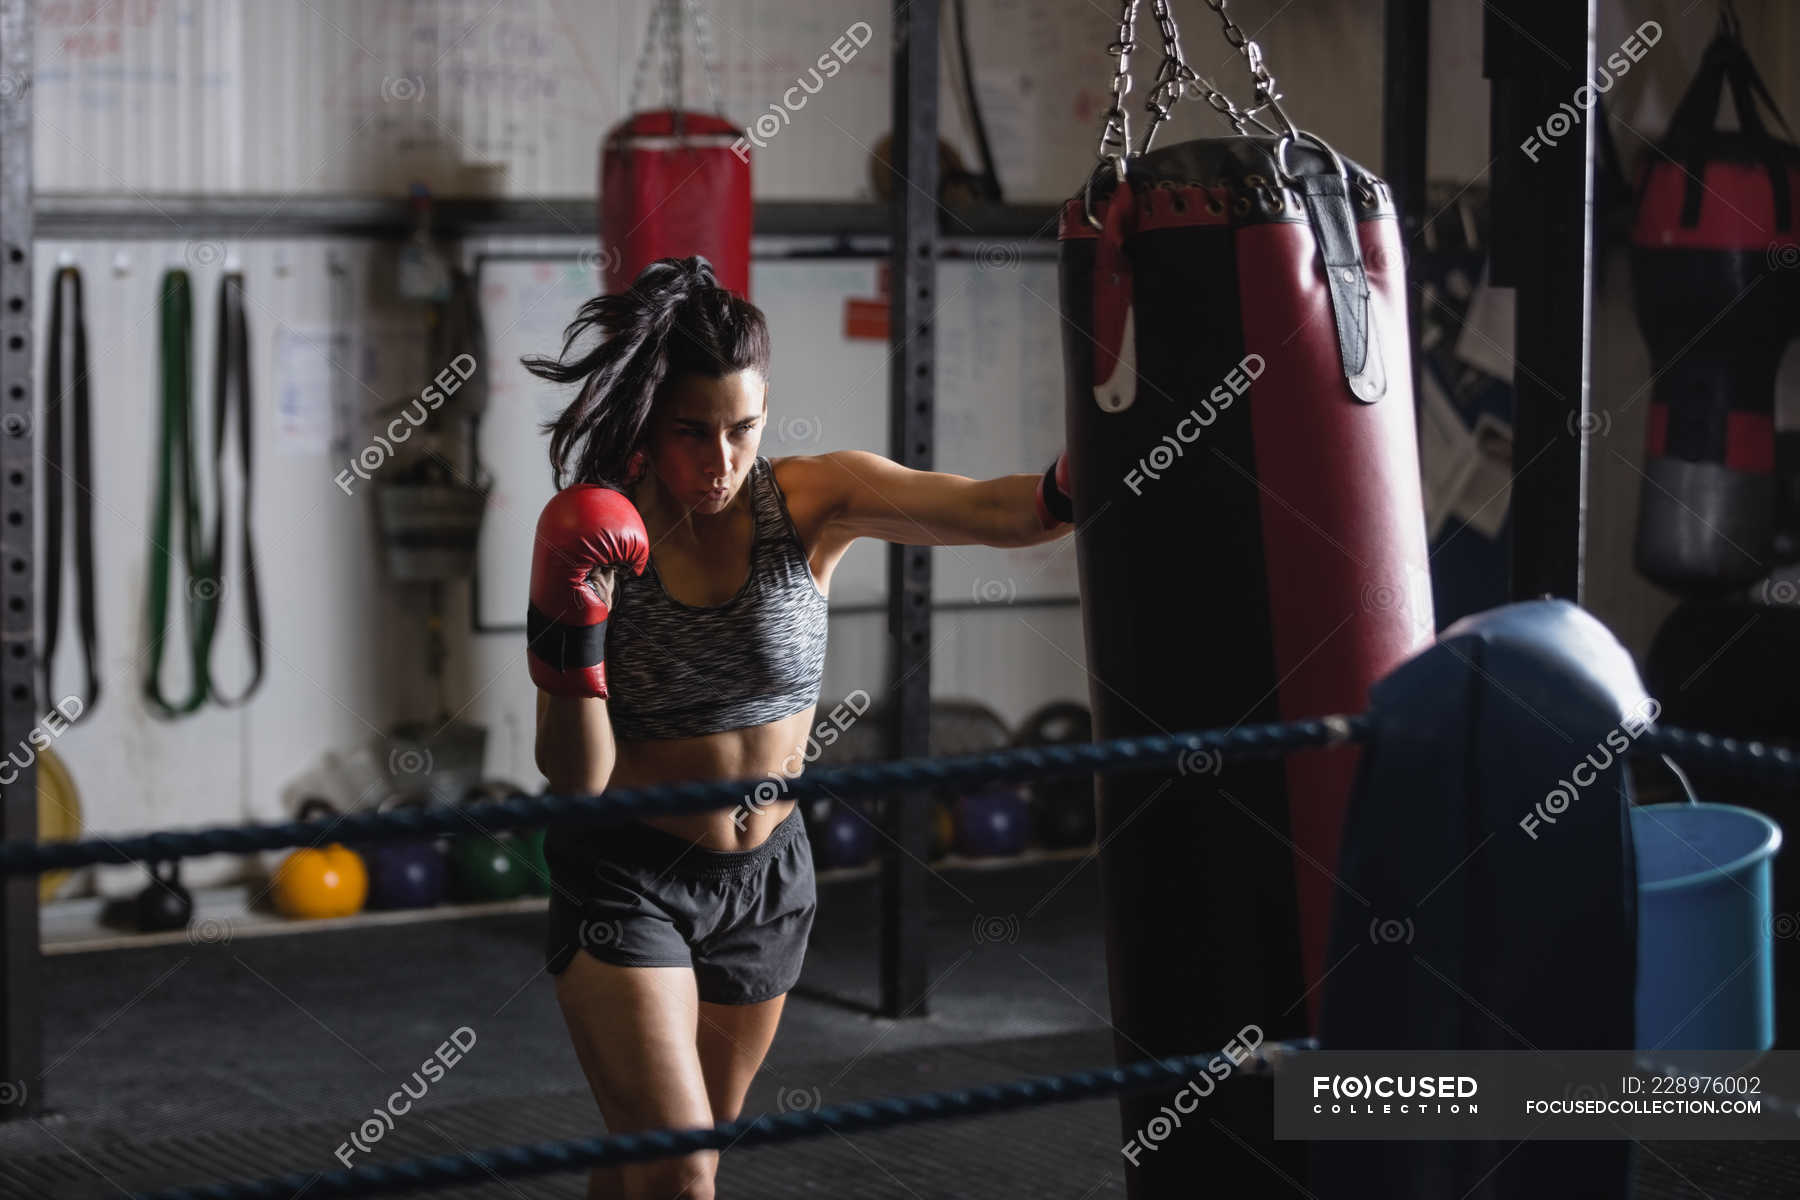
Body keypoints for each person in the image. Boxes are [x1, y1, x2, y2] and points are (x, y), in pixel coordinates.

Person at [523, 255, 1074, 1200]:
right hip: (629, 873)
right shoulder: (603, 536)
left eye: (743, 428)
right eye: (693, 433)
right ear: (650, 422)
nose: (722, 461)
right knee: (682, 1170)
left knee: (651, 1165)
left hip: (769, 882)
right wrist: (568, 627)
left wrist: (1105, 453)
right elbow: (575, 778)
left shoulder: (812, 502)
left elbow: (998, 512)